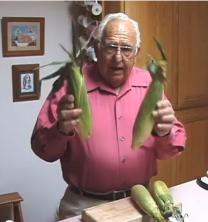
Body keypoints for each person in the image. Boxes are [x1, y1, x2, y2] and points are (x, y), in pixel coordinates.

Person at [31, 12, 186, 220]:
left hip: (140, 203)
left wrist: (165, 132)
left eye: (127, 49)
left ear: (136, 52)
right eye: (111, 47)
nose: (118, 57)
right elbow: (43, 150)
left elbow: (171, 149)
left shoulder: (151, 84)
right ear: (97, 47)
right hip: (84, 205)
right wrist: (60, 130)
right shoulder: (71, 85)